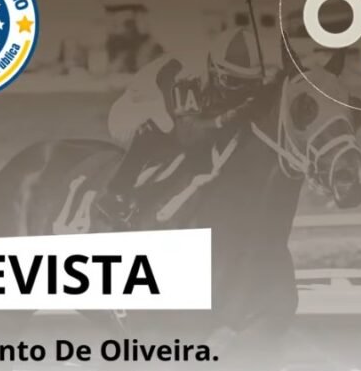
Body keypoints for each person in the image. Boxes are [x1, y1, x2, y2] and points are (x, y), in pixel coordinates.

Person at [98, 28, 265, 226]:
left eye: (250, 84)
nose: (240, 92)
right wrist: (227, 118)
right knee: (166, 131)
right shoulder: (186, 77)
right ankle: (116, 192)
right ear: (213, 69)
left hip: (179, 115)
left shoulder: (215, 75)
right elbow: (188, 134)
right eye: (232, 81)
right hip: (132, 114)